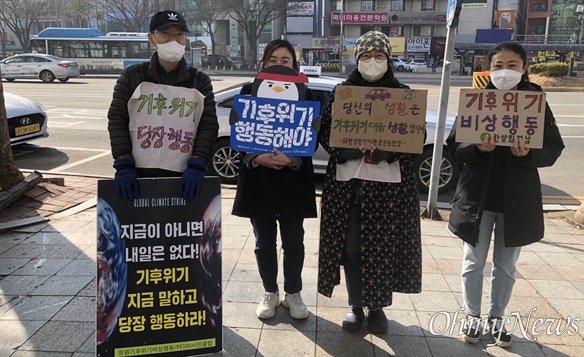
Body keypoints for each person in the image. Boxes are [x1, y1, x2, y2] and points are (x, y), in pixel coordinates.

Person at [446, 41, 565, 348]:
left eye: (512, 65)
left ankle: (496, 319)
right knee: (473, 261)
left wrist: (528, 155)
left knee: (506, 266)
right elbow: (454, 148)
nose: (505, 72)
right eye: (498, 65)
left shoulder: (534, 101)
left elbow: (553, 148)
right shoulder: (477, 100)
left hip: (517, 199)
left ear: (524, 69)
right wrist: (477, 149)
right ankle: (472, 317)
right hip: (477, 198)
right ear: (489, 68)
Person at [317, 31, 422, 334]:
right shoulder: (342, 92)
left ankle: (377, 309)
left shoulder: (403, 93)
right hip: (347, 187)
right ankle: (355, 303)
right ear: (356, 59)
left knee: (381, 248)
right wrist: (353, 148)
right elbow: (326, 133)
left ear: (388, 60)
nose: (372, 62)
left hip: (388, 189)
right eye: (365, 56)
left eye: (379, 56)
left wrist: (386, 151)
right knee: (350, 248)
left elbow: (416, 138)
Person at [232, 39, 317, 320]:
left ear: (295, 66)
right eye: (272, 60)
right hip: (259, 182)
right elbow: (239, 135)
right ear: (262, 65)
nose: (279, 66)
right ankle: (270, 291)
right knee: (263, 242)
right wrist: (256, 157)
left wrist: (293, 159)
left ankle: (293, 292)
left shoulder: (309, 95)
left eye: (285, 61)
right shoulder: (248, 92)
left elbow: (314, 139)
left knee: (294, 241)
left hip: (294, 182)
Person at [108, 10, 218, 201]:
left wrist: (198, 163)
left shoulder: (200, 80)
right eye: (165, 33)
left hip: (184, 175)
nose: (172, 40)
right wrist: (123, 160)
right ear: (152, 38)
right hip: (140, 175)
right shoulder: (133, 76)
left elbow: (208, 124)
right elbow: (117, 118)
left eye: (179, 34)